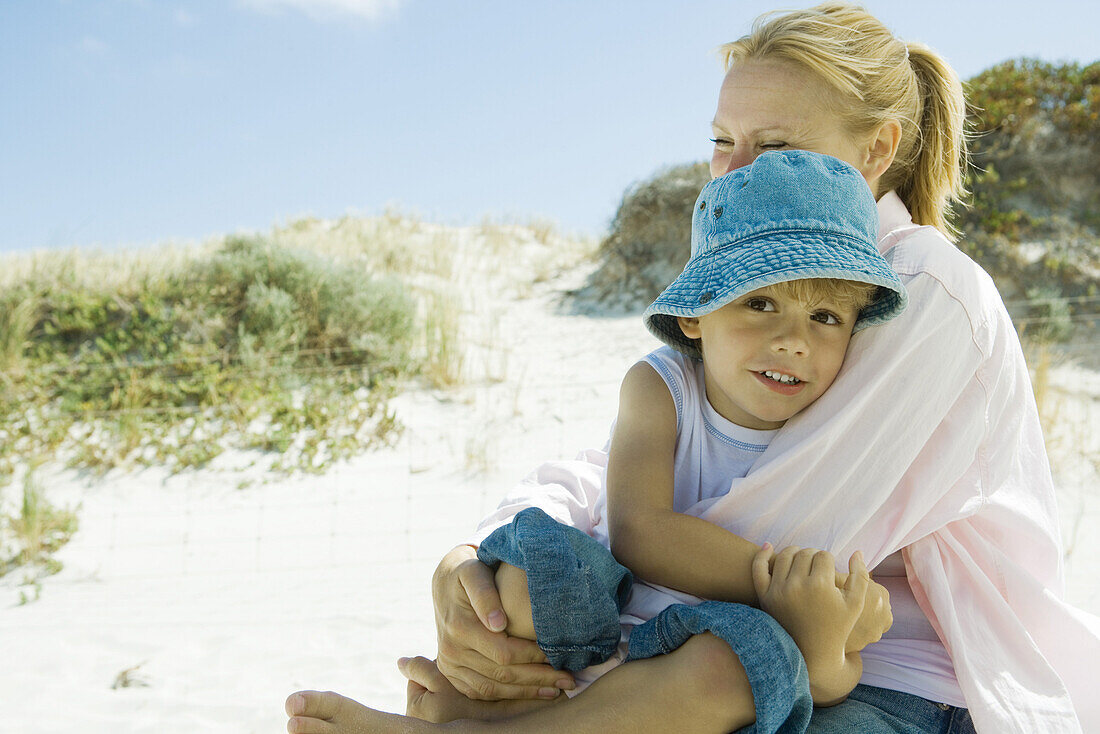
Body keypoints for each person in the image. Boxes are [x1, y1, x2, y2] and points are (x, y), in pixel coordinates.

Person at [391, 3, 1100, 733]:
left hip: (903, 678)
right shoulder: (749, 273)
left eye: (775, 146)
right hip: (754, 648)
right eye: (721, 141)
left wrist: (537, 677)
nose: (731, 175)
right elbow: (635, 455)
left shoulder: (922, 289)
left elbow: (784, 541)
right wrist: (480, 563)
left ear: (877, 149)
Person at [285, 149, 908, 733]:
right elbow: (638, 530)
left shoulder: (840, 426)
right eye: (761, 302)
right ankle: (483, 707)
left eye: (825, 317)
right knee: (536, 577)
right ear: (695, 316)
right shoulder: (664, 386)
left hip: (681, 666)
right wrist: (780, 584)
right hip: (593, 616)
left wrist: (822, 634)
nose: (793, 340)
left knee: (751, 664)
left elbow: (827, 680)